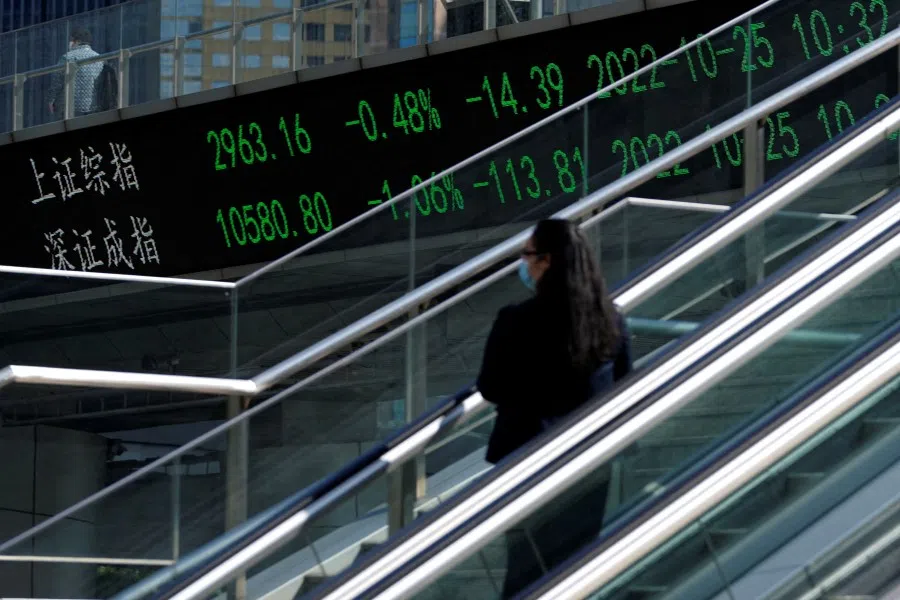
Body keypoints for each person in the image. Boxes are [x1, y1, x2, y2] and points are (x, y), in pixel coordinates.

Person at [476, 218, 633, 598]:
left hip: (527, 462)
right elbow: (625, 386)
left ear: (546, 261)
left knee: (526, 570)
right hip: (587, 467)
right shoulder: (610, 324)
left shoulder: (516, 321)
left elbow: (490, 386)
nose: (524, 263)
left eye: (527, 254)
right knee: (576, 569)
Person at [48, 27, 103, 118]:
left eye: (71, 40)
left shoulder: (67, 57)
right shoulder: (99, 58)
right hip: (93, 106)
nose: (70, 43)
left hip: (70, 106)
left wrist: (51, 99)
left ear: (77, 41)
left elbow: (57, 81)